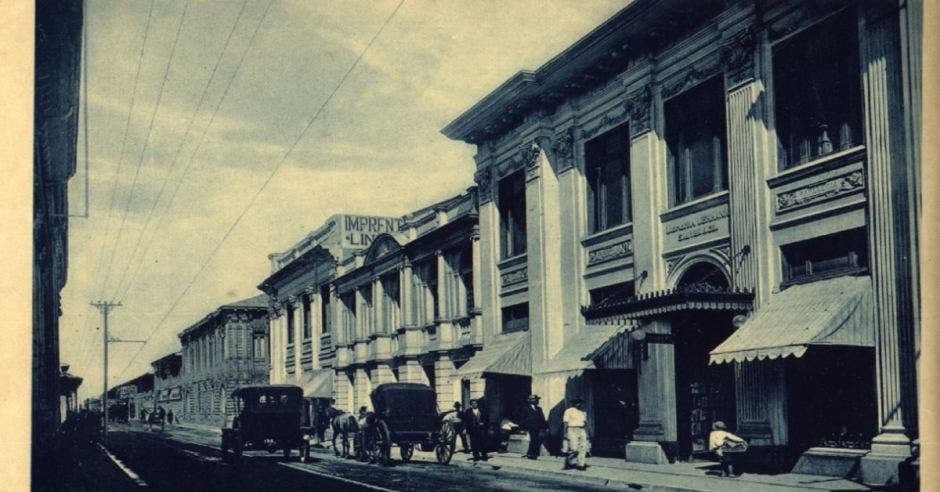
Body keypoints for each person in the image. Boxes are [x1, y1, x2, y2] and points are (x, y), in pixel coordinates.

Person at [515, 395, 547, 459]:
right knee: (533, 439)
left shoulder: (539, 409)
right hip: (530, 427)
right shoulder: (525, 408)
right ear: (530, 401)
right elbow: (522, 418)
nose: (537, 401)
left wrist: (545, 426)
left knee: (536, 440)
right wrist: (521, 428)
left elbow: (542, 418)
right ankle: (531, 454)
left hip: (538, 427)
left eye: (537, 400)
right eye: (535, 399)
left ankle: (532, 453)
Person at [563, 398, 589, 471]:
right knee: (574, 448)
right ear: (573, 403)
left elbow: (585, 422)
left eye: (580, 403)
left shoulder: (583, 412)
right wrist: (565, 433)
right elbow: (565, 423)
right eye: (577, 402)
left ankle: (581, 464)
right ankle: (569, 462)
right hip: (572, 429)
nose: (579, 404)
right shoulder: (568, 411)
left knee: (583, 447)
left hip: (582, 429)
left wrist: (587, 432)